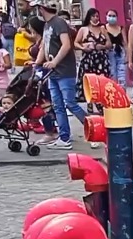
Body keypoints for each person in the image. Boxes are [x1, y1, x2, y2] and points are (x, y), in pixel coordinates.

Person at [31, 0, 99, 149]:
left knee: (70, 103)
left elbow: (66, 45)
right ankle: (64, 137)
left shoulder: (59, 23)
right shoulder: (47, 25)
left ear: (42, 8)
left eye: (37, 9)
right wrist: (37, 62)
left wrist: (54, 61)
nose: (37, 12)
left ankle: (96, 131)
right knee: (58, 105)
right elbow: (44, 47)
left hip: (64, 71)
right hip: (53, 73)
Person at [74, 8, 111, 115]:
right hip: (88, 60)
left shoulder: (102, 28)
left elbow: (109, 44)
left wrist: (102, 46)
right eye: (93, 16)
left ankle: (101, 104)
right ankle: (90, 105)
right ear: (89, 17)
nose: (95, 18)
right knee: (90, 83)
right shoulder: (83, 29)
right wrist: (83, 48)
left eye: (97, 16)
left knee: (101, 83)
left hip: (101, 60)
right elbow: (75, 43)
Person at [104, 9, 126, 87]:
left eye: (113, 16)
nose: (112, 17)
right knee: (112, 73)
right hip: (109, 53)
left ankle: (122, 94)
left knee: (122, 75)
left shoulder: (121, 28)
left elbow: (125, 43)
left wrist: (128, 56)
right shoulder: (103, 28)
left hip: (120, 52)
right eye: (110, 16)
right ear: (106, 16)